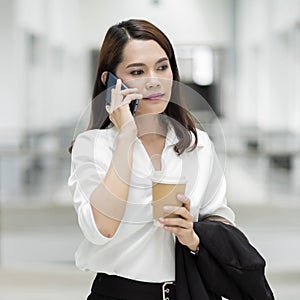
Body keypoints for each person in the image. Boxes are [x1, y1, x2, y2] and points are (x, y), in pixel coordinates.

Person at [68, 19, 238, 300]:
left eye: (162, 67)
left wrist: (191, 234)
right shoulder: (93, 147)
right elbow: (102, 229)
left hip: (189, 290)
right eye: (137, 71)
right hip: (119, 293)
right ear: (110, 81)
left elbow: (221, 221)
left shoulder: (198, 145)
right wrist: (126, 136)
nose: (154, 80)